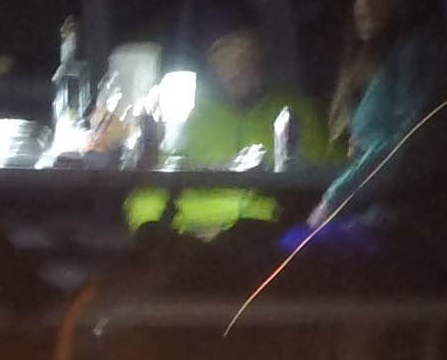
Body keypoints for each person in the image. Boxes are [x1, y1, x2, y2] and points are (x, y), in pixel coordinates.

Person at [316, 0, 447, 262]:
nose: (362, 4)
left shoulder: (434, 49)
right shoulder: (395, 54)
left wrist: (335, 199)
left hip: (421, 228)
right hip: (382, 220)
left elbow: (414, 145)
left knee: (282, 252)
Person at [125, 25, 332, 243]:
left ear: (261, 56)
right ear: (211, 62)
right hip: (188, 242)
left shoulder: (295, 111)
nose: (238, 66)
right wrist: (169, 233)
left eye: (246, 53)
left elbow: (326, 185)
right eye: (225, 54)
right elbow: (145, 194)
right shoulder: (184, 115)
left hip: (264, 242)